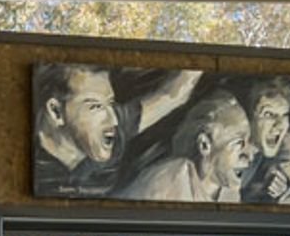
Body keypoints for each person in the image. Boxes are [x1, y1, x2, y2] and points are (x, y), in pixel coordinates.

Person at [32, 63, 200, 199]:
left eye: (111, 104)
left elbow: (174, 95)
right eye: (95, 106)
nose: (113, 120)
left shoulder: (111, 128)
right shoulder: (29, 159)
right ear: (56, 112)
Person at [120, 94, 254, 203]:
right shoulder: (168, 183)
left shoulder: (229, 195)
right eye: (238, 143)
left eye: (248, 142)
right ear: (204, 145)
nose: (249, 155)